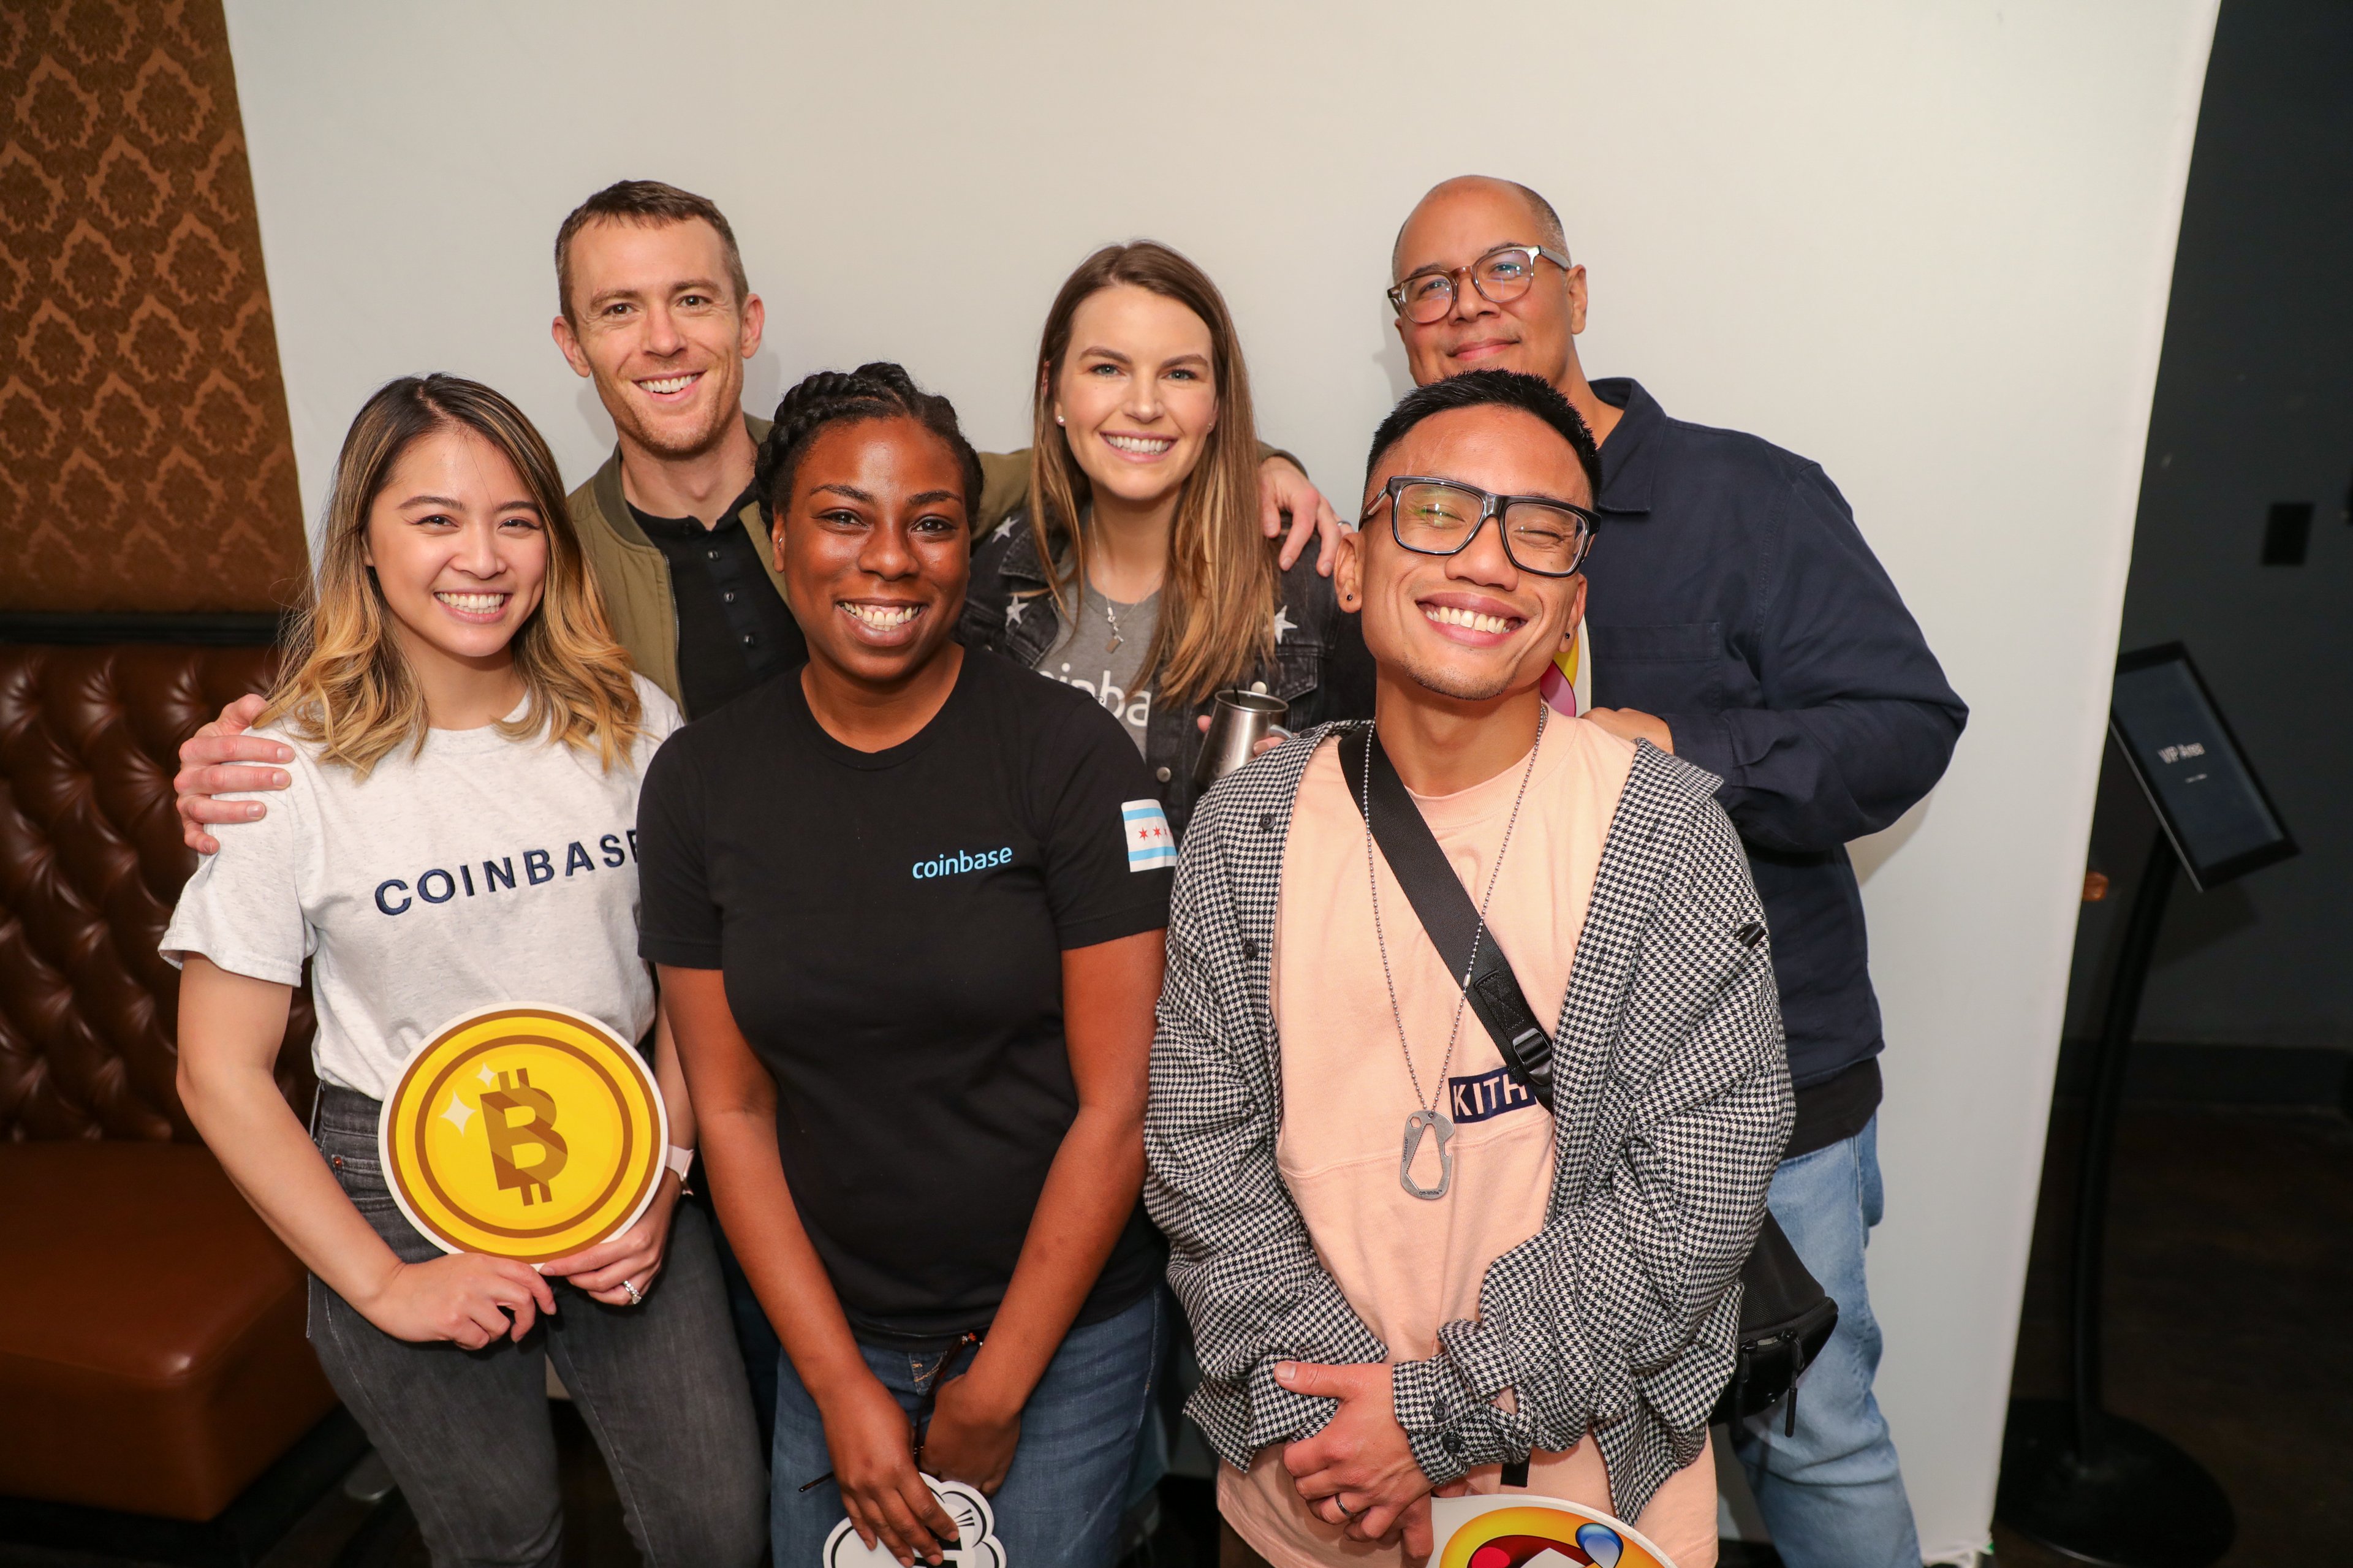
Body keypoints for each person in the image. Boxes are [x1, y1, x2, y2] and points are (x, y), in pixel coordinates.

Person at [1387, 175, 1968, 1567]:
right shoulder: (1410, 522)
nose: (1467, 305)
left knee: (1807, 1428)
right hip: (1502, 1105)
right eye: (1427, 286)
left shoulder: (1744, 498)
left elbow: (1905, 723)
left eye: (1504, 266)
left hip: (1761, 1088)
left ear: (1576, 291)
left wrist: (1678, 751)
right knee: (1538, 1444)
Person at [1147, 368, 1788, 1568]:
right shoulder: (1248, 830)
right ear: (1350, 563)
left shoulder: (1664, 833)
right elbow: (1202, 1158)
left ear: (1573, 600)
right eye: (1437, 511)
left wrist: (1432, 1417)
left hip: (1578, 1516)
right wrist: (1344, 1434)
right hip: (1310, 1494)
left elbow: (1695, 1185)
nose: (1486, 560)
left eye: (1539, 531)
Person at [163, 374, 764, 1567]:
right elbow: (215, 1070)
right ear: (364, 541)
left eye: (516, 519)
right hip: (398, 1178)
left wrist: (669, 1169)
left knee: (718, 1528)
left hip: (626, 1148)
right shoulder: (280, 768)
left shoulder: (634, 722)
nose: (481, 557)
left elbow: (700, 985)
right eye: (435, 518)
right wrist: (385, 1286)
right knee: (501, 1541)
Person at [637, 363, 1173, 1568]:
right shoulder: (700, 785)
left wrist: (1000, 1385)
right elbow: (730, 1107)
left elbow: (1122, 1103)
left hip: (1063, 1328)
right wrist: (837, 1383)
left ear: (965, 549)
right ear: (781, 538)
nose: (890, 557)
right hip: (834, 1327)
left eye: (931, 523)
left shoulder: (1066, 757)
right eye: (844, 517)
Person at [961, 241, 1373, 839]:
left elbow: (1403, 798)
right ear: (1054, 390)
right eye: (1108, 368)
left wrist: (1318, 784)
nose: (1145, 406)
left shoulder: (1307, 582)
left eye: (1180, 374)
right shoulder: (995, 568)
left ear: (1216, 405)